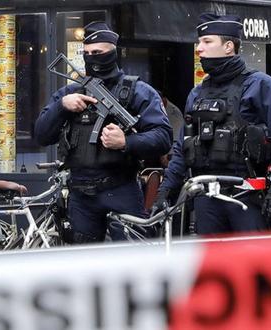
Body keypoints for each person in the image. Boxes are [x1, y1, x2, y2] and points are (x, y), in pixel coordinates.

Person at [155, 13, 271, 235]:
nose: (199, 48)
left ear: (228, 46)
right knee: (212, 267)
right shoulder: (197, 93)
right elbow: (182, 148)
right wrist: (164, 191)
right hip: (206, 198)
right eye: (199, 42)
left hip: (246, 196)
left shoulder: (260, 86)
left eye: (207, 41)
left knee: (252, 265)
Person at [35, 21, 173, 244]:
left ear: (112, 52)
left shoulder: (138, 91)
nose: (92, 58)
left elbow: (164, 138)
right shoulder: (69, 93)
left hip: (120, 188)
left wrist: (126, 142)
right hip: (80, 195)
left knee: (132, 260)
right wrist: (61, 107)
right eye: (87, 53)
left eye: (98, 52)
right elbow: (41, 135)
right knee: (84, 265)